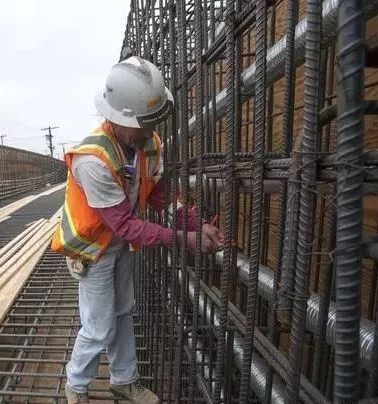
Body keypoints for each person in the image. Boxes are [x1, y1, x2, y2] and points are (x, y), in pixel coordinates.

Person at [51, 56, 222, 404]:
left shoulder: (148, 143)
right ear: (119, 118)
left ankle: (124, 380)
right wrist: (184, 240)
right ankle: (77, 387)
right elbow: (126, 224)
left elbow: (158, 193)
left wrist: (194, 222)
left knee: (123, 311)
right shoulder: (92, 160)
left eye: (154, 121)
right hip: (91, 249)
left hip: (117, 244)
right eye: (145, 123)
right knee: (98, 326)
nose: (150, 130)